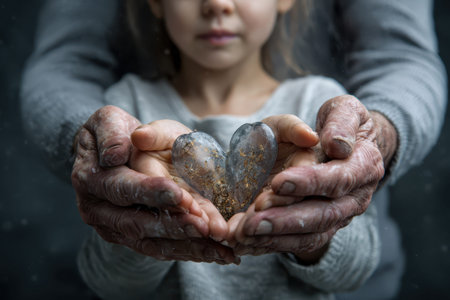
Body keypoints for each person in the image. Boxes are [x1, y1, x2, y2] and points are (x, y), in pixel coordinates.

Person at [20, 0, 447, 299]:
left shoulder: (317, 111)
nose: (216, 3)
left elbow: (355, 268)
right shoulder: (126, 116)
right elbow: (108, 284)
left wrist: (307, 236)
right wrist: (148, 234)